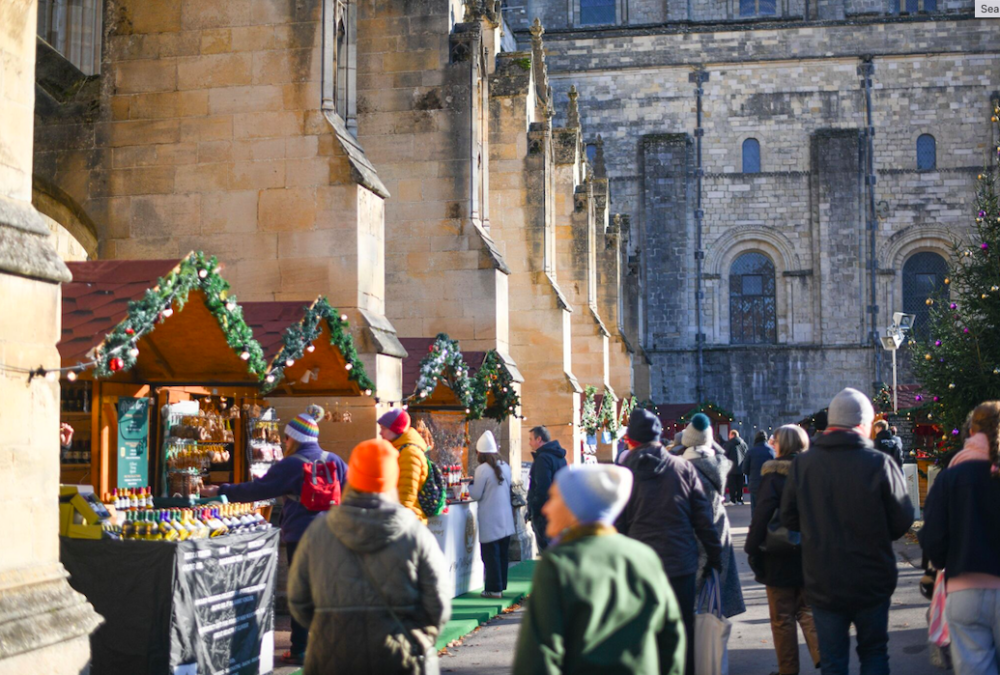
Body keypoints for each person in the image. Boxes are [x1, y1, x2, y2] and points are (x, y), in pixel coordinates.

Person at [288, 438, 450, 675]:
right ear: (393, 477)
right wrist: (418, 637)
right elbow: (438, 603)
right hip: (400, 658)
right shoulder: (415, 533)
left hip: (332, 658)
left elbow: (299, 600)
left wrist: (329, 629)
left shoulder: (319, 531)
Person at [782, 388, 914, 675]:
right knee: (875, 653)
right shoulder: (881, 463)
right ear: (863, 424)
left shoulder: (803, 464)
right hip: (872, 575)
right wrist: (877, 533)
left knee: (832, 661)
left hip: (823, 577)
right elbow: (903, 519)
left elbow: (789, 518)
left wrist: (817, 530)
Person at [204, 404, 347, 666]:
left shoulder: (291, 464)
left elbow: (258, 490)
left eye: (287, 437)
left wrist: (221, 490)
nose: (284, 441)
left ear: (294, 438)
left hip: (302, 536)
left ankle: (301, 650)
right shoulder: (334, 460)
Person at [514, 464, 685, 675]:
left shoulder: (559, 564)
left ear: (575, 507)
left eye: (555, 498)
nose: (545, 508)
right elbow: (671, 638)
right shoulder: (644, 557)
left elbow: (539, 656)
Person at [617, 408, 722, 675]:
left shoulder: (623, 473)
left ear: (631, 440)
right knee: (681, 635)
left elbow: (616, 525)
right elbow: (703, 520)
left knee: (643, 636)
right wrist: (715, 557)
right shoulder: (683, 468)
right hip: (680, 565)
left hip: (640, 569)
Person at [920, 402, 1000, 675]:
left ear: (970, 431)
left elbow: (932, 537)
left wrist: (947, 562)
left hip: (964, 589)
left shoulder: (951, 477)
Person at [745, 424, 821, 675]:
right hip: (810, 553)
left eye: (775, 441)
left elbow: (762, 514)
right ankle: (825, 657)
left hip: (778, 553)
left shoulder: (774, 476)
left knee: (782, 618)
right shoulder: (815, 472)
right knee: (808, 609)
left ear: (783, 444)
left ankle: (788, 670)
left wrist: (752, 547)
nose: (772, 445)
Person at [680, 414, 746, 619]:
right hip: (719, 530)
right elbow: (719, 451)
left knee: (697, 600)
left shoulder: (686, 469)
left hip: (695, 534)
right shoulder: (718, 464)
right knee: (716, 597)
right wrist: (706, 440)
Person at [469, 431, 516, 599]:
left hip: (490, 518)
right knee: (503, 554)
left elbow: (476, 494)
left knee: (490, 555)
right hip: (506, 518)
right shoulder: (505, 466)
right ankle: (501, 584)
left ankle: (493, 588)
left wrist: (467, 487)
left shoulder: (482, 469)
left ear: (479, 453)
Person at [377, 408, 428, 525]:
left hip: (408, 522)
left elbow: (407, 496)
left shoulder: (409, 453)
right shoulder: (399, 449)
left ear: (396, 429)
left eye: (384, 428)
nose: (380, 433)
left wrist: (399, 524)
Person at [526, 426, 568, 551]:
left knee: (547, 551)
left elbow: (542, 488)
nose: (529, 443)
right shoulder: (559, 457)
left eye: (531, 439)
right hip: (559, 510)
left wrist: (535, 510)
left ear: (539, 439)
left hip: (545, 513)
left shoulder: (543, 459)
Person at [743, 430, 776, 516]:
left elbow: (744, 469)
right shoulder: (771, 451)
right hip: (768, 484)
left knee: (755, 509)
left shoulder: (751, 452)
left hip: (755, 484)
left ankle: (755, 526)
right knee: (767, 508)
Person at [724, 429, 748, 504]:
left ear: (732, 435)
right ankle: (739, 499)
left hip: (731, 468)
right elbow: (746, 455)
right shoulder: (743, 444)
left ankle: (732, 500)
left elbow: (725, 455)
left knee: (732, 485)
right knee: (740, 485)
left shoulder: (729, 444)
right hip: (741, 468)